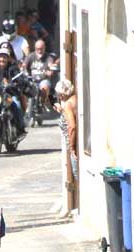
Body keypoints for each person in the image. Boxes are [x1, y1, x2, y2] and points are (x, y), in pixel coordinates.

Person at [55, 80, 78, 217]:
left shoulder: (68, 104)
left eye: (58, 94)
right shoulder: (73, 100)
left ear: (62, 94)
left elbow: (72, 126)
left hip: (73, 146)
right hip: (74, 144)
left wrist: (72, 147)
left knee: (76, 174)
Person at [23, 39, 56, 107]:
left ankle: (43, 103)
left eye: (41, 49)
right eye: (38, 49)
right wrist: (24, 69)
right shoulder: (31, 56)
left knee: (45, 87)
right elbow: (24, 65)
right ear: (35, 48)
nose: (39, 51)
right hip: (32, 79)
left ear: (44, 48)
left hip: (43, 79)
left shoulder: (48, 57)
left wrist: (51, 70)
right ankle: (25, 107)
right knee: (23, 89)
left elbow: (50, 64)